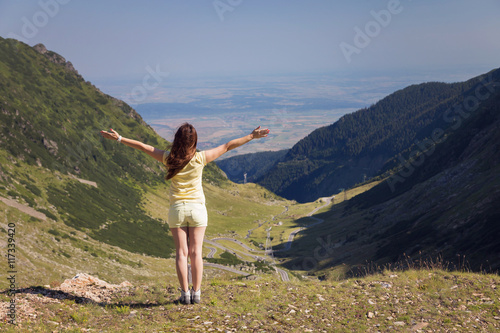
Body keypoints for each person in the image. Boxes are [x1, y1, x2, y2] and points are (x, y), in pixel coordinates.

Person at [100, 123, 270, 304]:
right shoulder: (201, 158)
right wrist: (251, 136)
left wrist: (119, 138)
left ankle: (184, 294)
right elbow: (228, 146)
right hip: (197, 209)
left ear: (177, 140)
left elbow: (143, 147)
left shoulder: (168, 158)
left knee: (181, 253)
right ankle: (196, 293)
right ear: (194, 141)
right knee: (196, 252)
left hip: (177, 210)